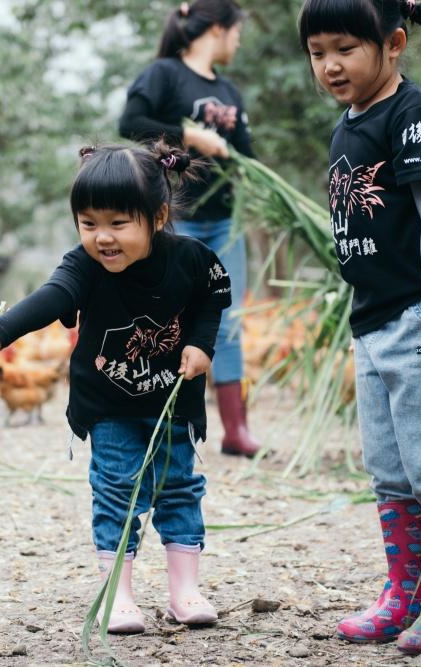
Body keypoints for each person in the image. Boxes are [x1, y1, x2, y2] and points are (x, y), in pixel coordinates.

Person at [0, 142, 232, 634]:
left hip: (174, 401)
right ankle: (118, 594)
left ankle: (184, 591)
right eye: (89, 224)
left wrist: (201, 345)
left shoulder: (192, 258)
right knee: (117, 489)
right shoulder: (83, 267)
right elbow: (53, 296)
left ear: (157, 216)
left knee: (179, 489)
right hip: (109, 405)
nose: (102, 238)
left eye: (117, 224)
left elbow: (211, 298)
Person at [298, 0, 421, 655]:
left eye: (345, 49)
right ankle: (408, 591)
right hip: (377, 320)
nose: (330, 65)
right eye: (317, 51)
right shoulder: (348, 124)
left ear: (394, 44)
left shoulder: (417, 115)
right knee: (391, 468)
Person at [119, 0, 261, 457]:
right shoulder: (163, 74)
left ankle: (236, 429)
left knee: (227, 318)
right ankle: (156, 417)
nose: (239, 41)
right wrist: (188, 137)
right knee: (166, 319)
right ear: (218, 29)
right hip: (177, 219)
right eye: (236, 31)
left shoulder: (231, 93)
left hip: (225, 222)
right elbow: (131, 124)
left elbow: (247, 155)